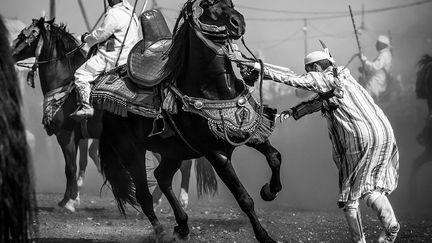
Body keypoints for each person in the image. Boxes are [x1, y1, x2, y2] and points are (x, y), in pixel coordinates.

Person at [238, 50, 400, 243]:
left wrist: (255, 66)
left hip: (360, 137)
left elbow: (289, 77)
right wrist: (293, 111)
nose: (308, 75)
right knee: (371, 188)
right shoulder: (343, 78)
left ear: (315, 67)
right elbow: (321, 100)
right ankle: (390, 224)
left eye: (309, 71)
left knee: (350, 198)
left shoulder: (322, 77)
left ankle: (359, 240)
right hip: (384, 132)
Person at [71, 0, 139, 119]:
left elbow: (100, 35)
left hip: (111, 58)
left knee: (81, 74)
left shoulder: (114, 13)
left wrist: (86, 38)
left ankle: (86, 107)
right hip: (129, 57)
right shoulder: (132, 13)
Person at [359, 35, 392, 101]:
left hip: (377, 81)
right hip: (376, 78)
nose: (376, 45)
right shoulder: (384, 54)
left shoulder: (384, 55)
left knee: (366, 97)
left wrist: (365, 61)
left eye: (378, 43)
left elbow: (374, 67)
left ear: (384, 45)